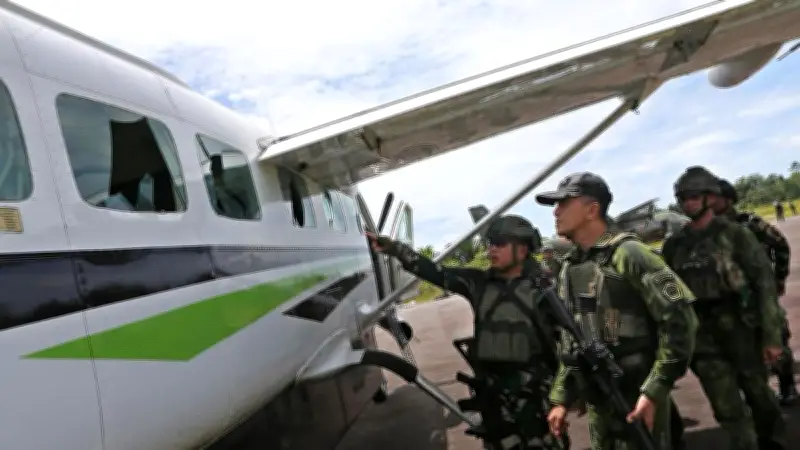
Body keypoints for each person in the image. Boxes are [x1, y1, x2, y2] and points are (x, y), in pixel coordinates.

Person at [367, 215, 569, 450]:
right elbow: (434, 272)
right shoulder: (478, 283)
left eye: (500, 243)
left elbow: (567, 345)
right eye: (490, 243)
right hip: (496, 401)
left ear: (522, 250)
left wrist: (563, 398)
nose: (491, 249)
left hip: (537, 399)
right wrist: (395, 249)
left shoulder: (545, 289)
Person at [536, 172, 698, 450]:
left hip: (636, 393)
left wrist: (655, 390)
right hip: (599, 396)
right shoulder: (571, 267)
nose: (556, 211)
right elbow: (573, 338)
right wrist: (561, 397)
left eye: (564, 203)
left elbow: (681, 321)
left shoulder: (630, 254)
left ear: (592, 210)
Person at [662, 166, 786, 450]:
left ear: (710, 197)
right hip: (702, 335)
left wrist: (771, 337)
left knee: (758, 393)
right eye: (683, 198)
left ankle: (772, 438)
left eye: (694, 196)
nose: (688, 203)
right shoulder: (674, 245)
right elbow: (669, 293)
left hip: (742, 328)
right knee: (725, 403)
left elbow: (764, 285)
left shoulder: (736, 235)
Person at [715, 178, 797, 406]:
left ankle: (787, 385)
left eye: (715, 197)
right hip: (731, 299)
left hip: (759, 293)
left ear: (728, 199)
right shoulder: (709, 231)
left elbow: (780, 244)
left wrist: (778, 278)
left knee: (776, 336)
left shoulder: (749, 223)